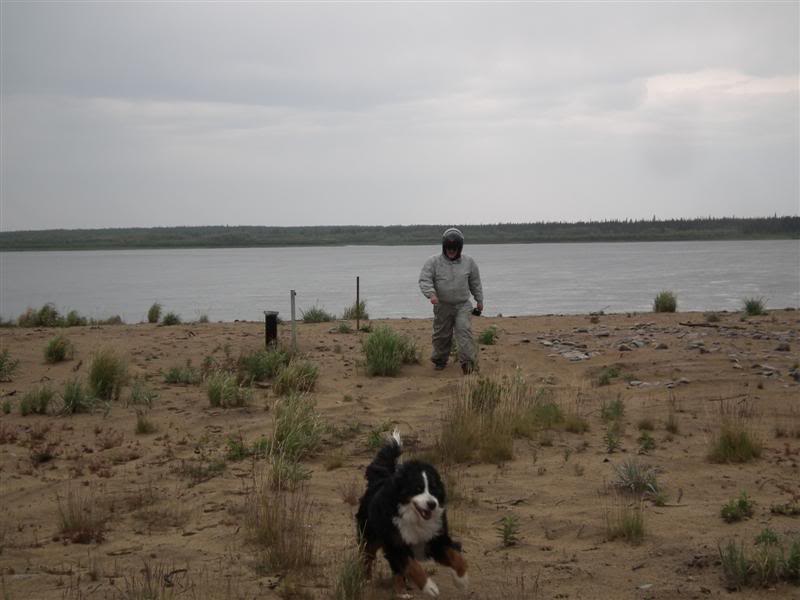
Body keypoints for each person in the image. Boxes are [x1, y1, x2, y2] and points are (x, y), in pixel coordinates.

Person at [419, 227, 484, 374]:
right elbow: (425, 279)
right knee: (442, 334)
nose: (451, 250)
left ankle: (468, 364)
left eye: (454, 248)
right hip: (442, 304)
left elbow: (475, 283)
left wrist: (479, 301)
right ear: (444, 246)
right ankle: (440, 360)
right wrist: (431, 294)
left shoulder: (469, 262)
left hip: (463, 305)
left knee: (463, 331)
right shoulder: (433, 262)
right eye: (448, 248)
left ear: (459, 248)